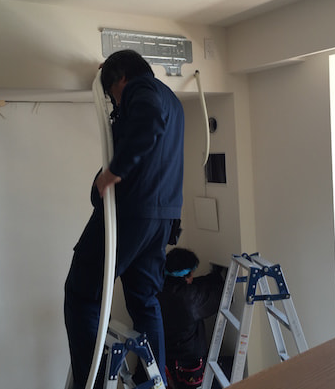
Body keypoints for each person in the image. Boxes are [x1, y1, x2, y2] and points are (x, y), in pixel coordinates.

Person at [64, 49, 185, 389]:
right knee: (144, 301)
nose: (116, 103)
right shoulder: (172, 100)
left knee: (82, 294)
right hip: (162, 219)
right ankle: (155, 379)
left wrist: (112, 173)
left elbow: (148, 122)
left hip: (130, 214)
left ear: (121, 78)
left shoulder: (140, 87)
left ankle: (91, 383)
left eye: (113, 94)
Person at [157, 248, 224, 389]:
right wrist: (219, 278)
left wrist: (212, 276)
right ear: (186, 275)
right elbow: (216, 296)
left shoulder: (159, 289)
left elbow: (197, 284)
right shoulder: (189, 299)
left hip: (167, 358)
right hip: (188, 363)